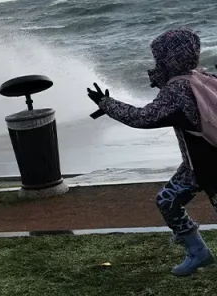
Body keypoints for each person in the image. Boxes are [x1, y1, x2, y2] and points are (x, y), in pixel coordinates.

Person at [88, 28, 217, 277]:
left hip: (209, 166)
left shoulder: (177, 91)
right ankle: (198, 253)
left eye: (160, 57)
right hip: (196, 166)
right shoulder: (204, 77)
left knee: (168, 201)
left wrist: (106, 104)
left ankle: (196, 251)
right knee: (167, 201)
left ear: (170, 58)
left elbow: (142, 118)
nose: (157, 63)